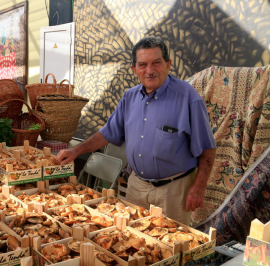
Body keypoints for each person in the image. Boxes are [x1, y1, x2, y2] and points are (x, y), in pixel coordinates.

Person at [57, 36, 216, 225]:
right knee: (133, 243)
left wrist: (198, 188)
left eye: (156, 63)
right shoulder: (129, 97)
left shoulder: (188, 97)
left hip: (173, 191)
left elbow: (208, 149)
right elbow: (108, 132)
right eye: (142, 65)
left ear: (168, 64)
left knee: (171, 246)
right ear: (134, 69)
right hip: (136, 187)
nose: (149, 70)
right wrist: (77, 150)